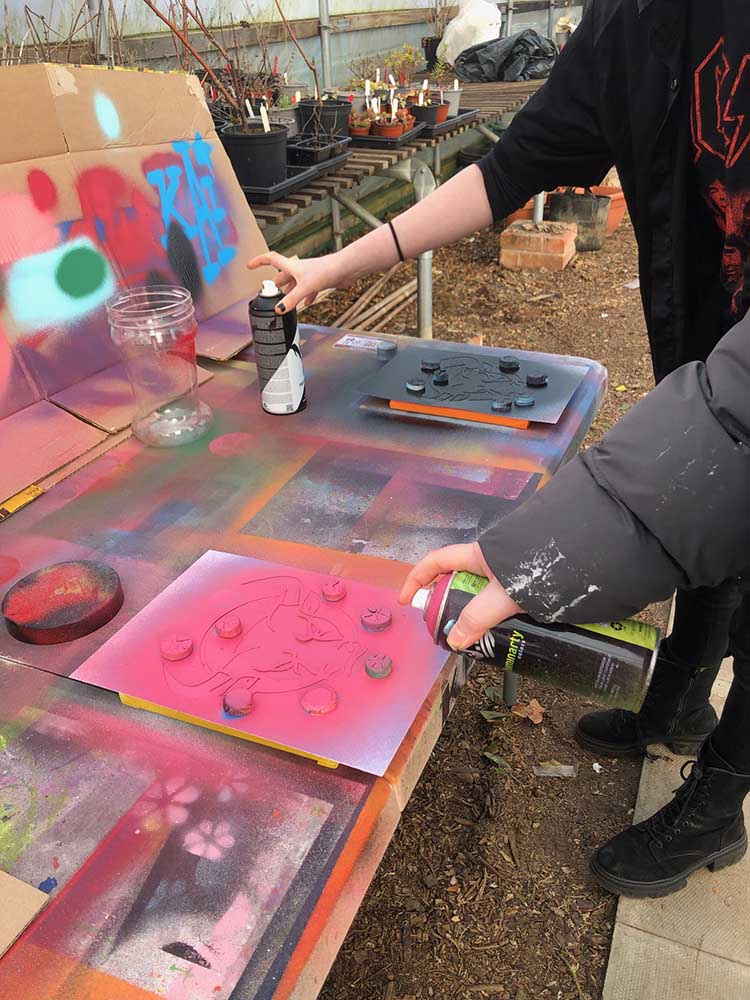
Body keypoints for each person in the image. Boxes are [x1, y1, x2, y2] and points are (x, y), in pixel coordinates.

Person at [248, 0, 750, 897]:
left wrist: (586, 535)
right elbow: (510, 168)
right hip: (710, 363)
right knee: (714, 528)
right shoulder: (626, 23)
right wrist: (339, 262)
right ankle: (675, 707)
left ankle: (720, 802)